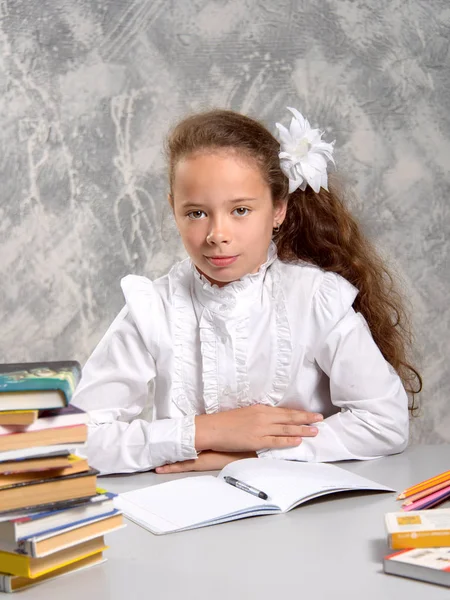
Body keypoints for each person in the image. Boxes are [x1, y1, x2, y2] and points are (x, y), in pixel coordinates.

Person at [72, 107, 421, 475]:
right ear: (173, 207)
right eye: (195, 213)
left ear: (278, 210)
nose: (217, 234)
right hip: (186, 516)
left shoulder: (315, 299)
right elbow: (75, 443)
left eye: (240, 209)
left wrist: (252, 455)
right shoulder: (152, 310)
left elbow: (386, 423)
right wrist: (205, 431)